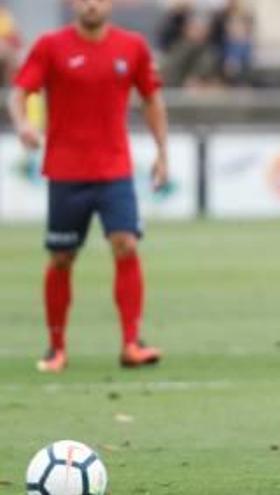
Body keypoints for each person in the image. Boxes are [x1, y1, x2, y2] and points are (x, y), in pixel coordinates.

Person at [7, 0, 168, 373]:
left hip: (115, 170)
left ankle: (131, 343)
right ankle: (56, 347)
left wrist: (162, 151)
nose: (91, 4)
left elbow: (152, 99)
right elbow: (18, 92)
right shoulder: (50, 45)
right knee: (62, 257)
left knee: (126, 243)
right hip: (66, 172)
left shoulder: (133, 47)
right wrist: (22, 125)